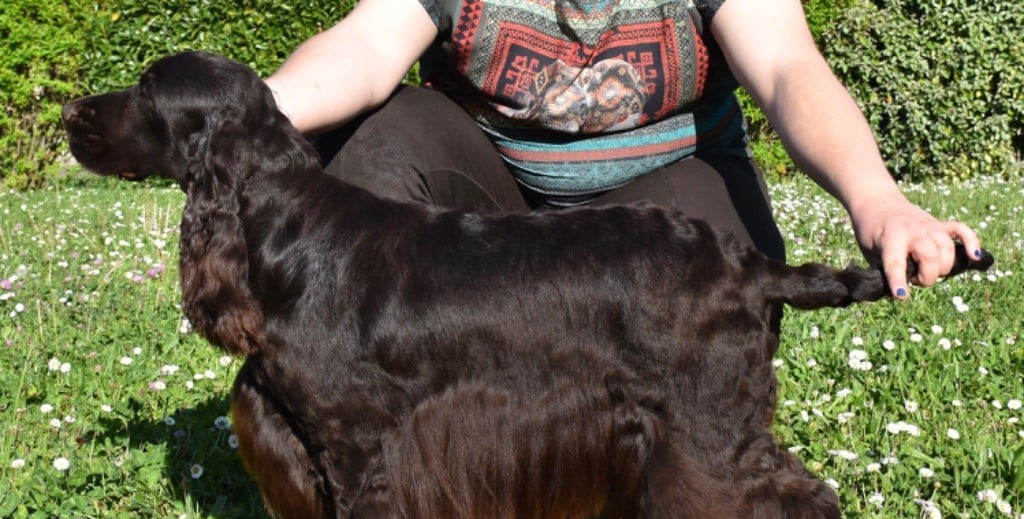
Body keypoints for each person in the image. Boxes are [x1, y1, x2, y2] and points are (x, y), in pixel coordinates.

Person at [264, 0, 982, 300]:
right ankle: (397, 421)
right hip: (494, 213)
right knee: (374, 142)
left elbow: (788, 69)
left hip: (666, 188)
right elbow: (364, 47)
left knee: (708, 263)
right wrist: (248, 112)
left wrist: (877, 198)